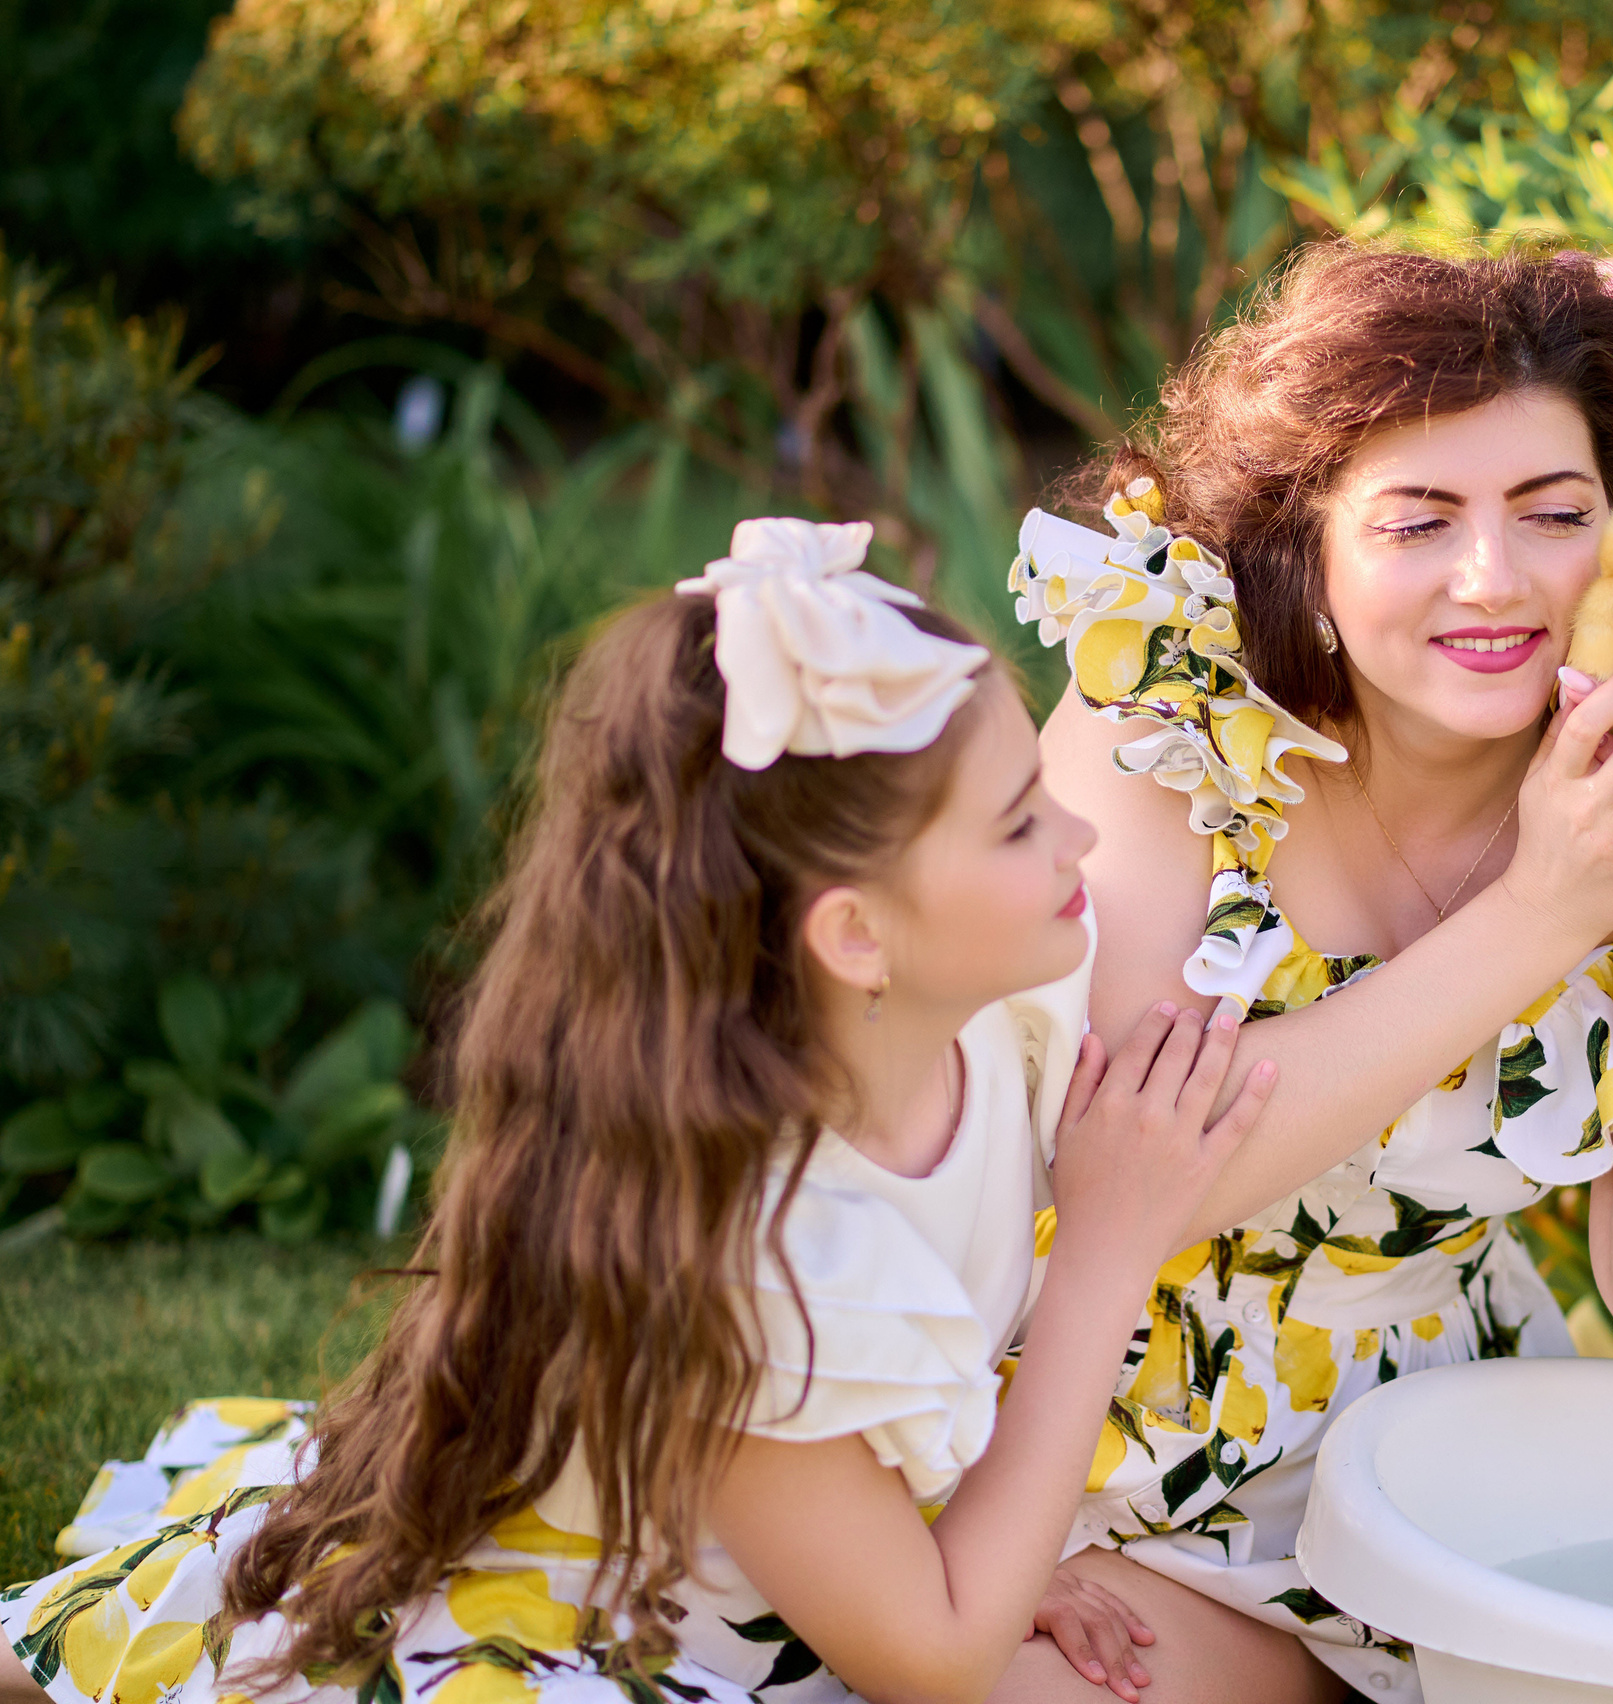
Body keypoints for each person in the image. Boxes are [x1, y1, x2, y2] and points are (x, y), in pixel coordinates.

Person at [0, 520, 1277, 1704]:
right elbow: (936, 1664)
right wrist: (1102, 1259)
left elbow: (886, 1490)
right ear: (856, 936)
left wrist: (969, 1553)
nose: (1077, 838)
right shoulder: (756, 1255)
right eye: (1015, 825)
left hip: (779, 1592)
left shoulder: (991, 1021)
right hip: (587, 1636)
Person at [1000, 243, 1613, 1703]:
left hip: (1421, 1490)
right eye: (1418, 522)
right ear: (1306, 549)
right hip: (1079, 1448)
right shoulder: (1171, 720)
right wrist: (1544, 910)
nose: (1496, 580)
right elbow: (1143, 1172)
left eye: (1556, 515)